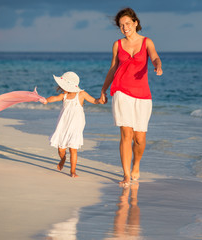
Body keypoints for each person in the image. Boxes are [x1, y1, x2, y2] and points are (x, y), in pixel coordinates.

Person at [100, 8, 163, 185]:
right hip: (121, 91)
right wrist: (104, 89)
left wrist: (157, 66)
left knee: (140, 138)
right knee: (126, 135)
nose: (125, 27)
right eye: (121, 25)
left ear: (135, 23)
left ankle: (136, 164)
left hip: (142, 95)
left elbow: (155, 57)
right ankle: (126, 175)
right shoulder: (118, 45)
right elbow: (113, 68)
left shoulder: (147, 42)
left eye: (127, 23)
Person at [44, 71, 101, 177]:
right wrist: (45, 100)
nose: (62, 87)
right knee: (61, 149)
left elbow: (94, 101)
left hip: (76, 126)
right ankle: (63, 159)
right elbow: (54, 98)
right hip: (63, 125)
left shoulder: (81, 94)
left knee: (73, 148)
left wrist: (101, 100)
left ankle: (73, 171)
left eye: (64, 85)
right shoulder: (64, 95)